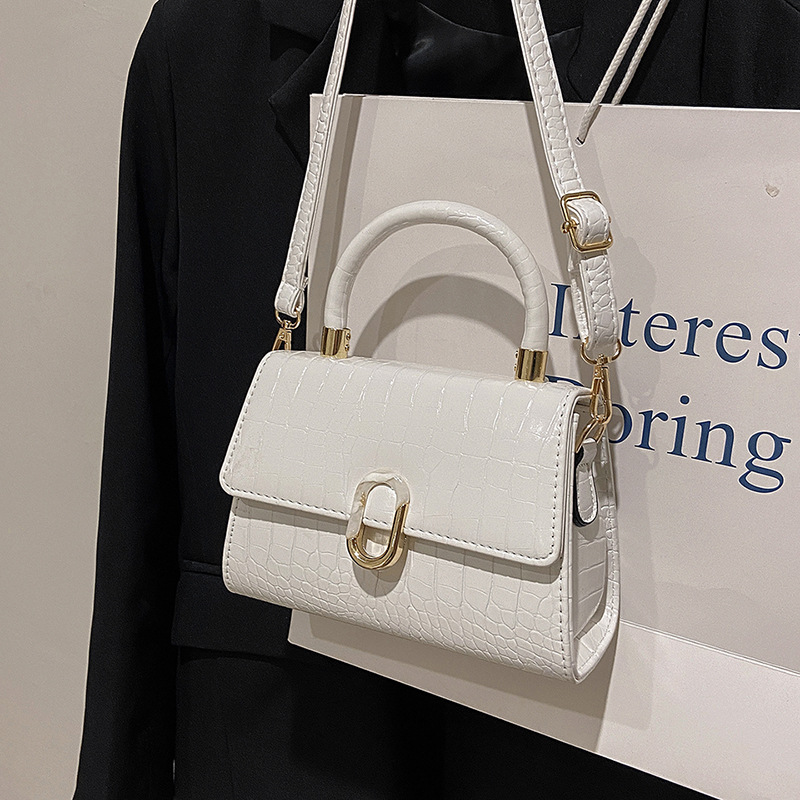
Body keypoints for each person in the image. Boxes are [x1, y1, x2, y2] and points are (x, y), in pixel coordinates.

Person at [73, 1, 799, 797]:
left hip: (607, 735)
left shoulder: (760, 38)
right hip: (283, 725)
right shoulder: (207, 41)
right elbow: (142, 466)